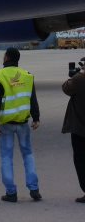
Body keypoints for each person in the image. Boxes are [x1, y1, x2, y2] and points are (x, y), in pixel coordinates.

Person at [0, 47, 41, 203]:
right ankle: (34, 189)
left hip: (6, 123)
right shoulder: (27, 75)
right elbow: (32, 98)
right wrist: (36, 117)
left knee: (6, 157)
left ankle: (11, 192)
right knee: (28, 154)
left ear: (6, 57)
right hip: (23, 122)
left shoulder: (0, 75)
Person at [62, 57, 85, 203]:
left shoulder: (79, 79)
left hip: (80, 128)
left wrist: (78, 74)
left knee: (81, 160)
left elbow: (66, 88)